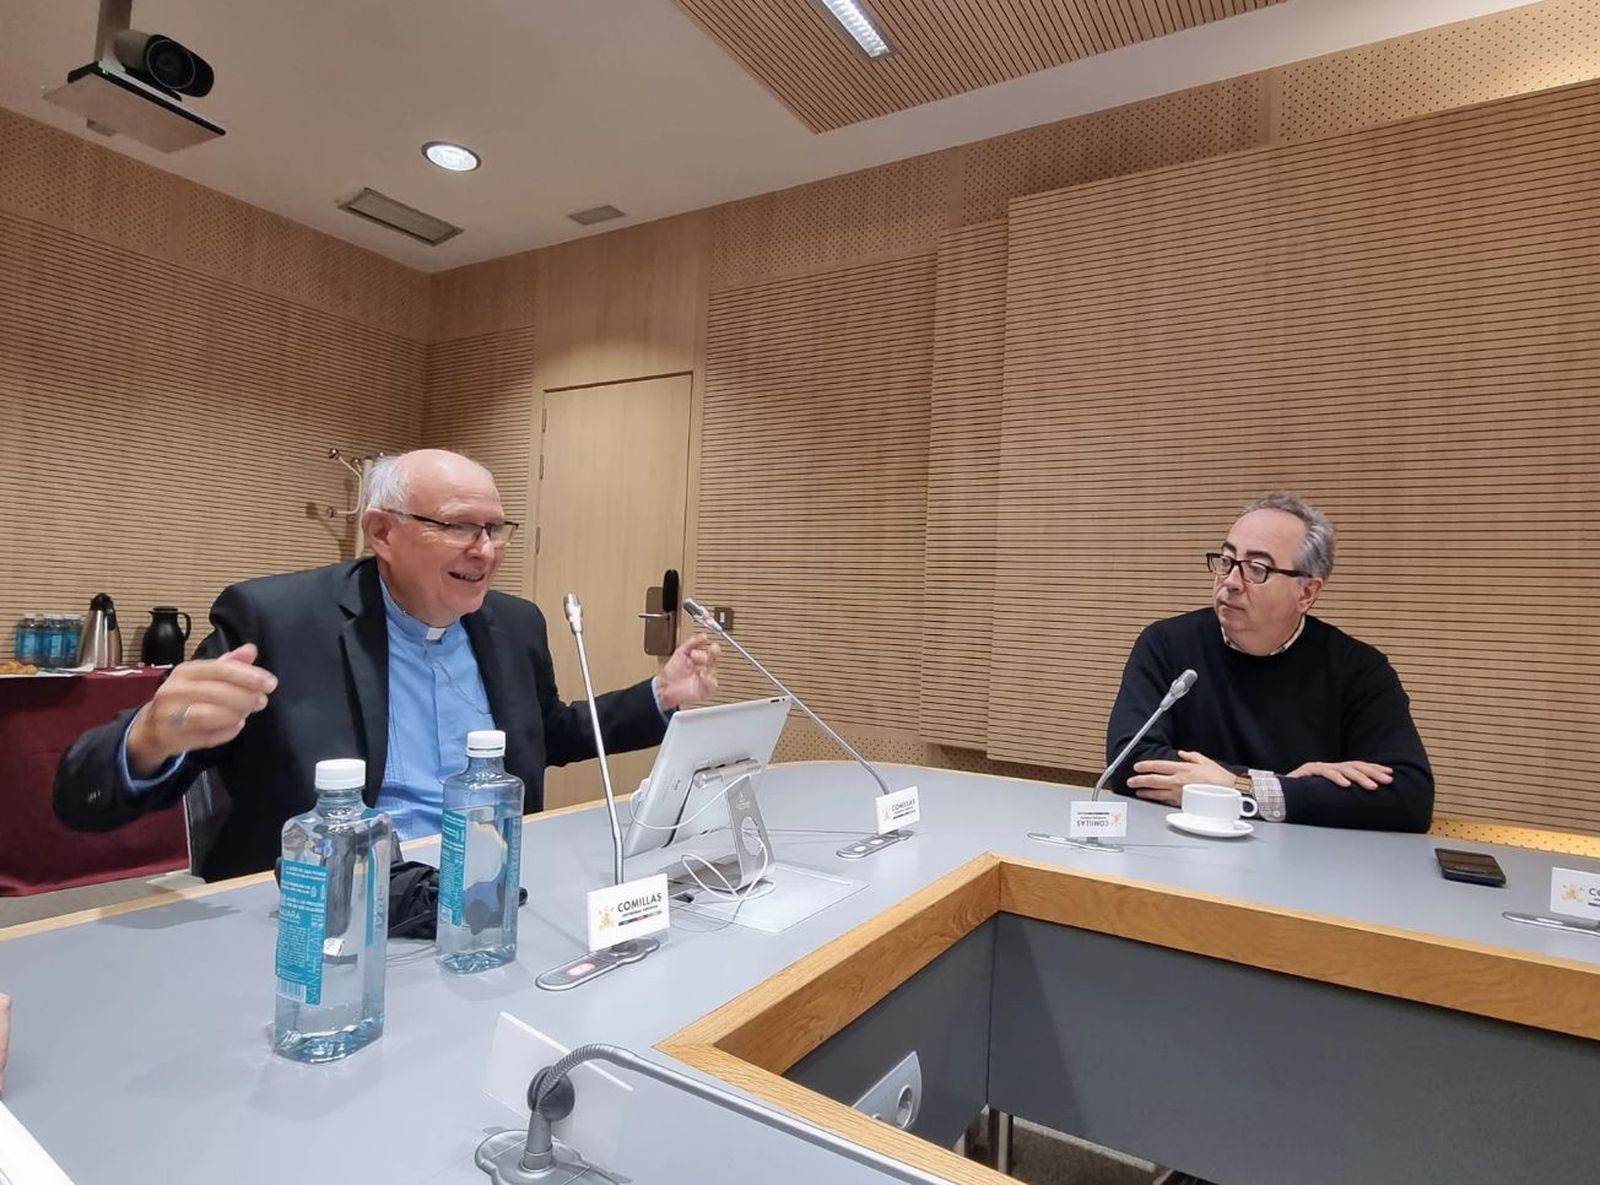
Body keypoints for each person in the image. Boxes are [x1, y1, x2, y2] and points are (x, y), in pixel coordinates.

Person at [54, 450, 720, 880]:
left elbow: (550, 733)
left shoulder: (515, 624)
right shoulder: (279, 622)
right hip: (327, 908)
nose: (485, 550)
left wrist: (659, 695)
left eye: (497, 529)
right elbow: (80, 795)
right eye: (461, 526)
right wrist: (147, 738)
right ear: (381, 532)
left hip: (490, 891)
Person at [1107, 492, 1433, 831]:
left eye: (1256, 569)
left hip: (1303, 867)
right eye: (1227, 561)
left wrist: (1242, 788)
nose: (1230, 582)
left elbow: (1410, 797)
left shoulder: (1359, 671)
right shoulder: (1167, 643)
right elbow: (1130, 762)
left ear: (1306, 593)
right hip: (1178, 849)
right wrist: (1278, 788)